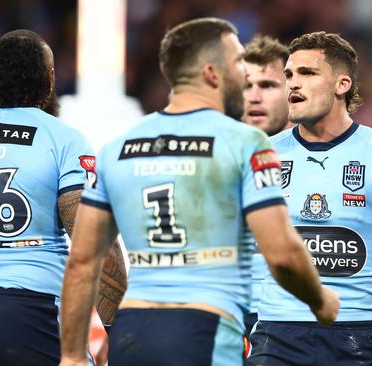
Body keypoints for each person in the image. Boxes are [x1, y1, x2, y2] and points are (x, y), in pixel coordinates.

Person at [58, 18, 339, 366]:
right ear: (212, 73)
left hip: (132, 333)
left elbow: (83, 262)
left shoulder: (117, 147)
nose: (246, 77)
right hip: (204, 329)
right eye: (238, 62)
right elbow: (281, 253)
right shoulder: (244, 143)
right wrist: (320, 301)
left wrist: (71, 355)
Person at [248, 31, 372, 366]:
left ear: (342, 84)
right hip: (275, 333)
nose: (293, 84)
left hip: (354, 336)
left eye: (308, 73)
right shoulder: (263, 155)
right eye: (289, 75)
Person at [0, 30, 125, 366]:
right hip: (27, 308)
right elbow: (95, 246)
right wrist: (120, 330)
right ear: (49, 78)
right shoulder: (64, 140)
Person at [241, 34, 293, 337]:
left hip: (296, 319)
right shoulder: (218, 154)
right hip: (231, 318)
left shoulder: (324, 156)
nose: (254, 96)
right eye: (247, 85)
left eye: (268, 85)